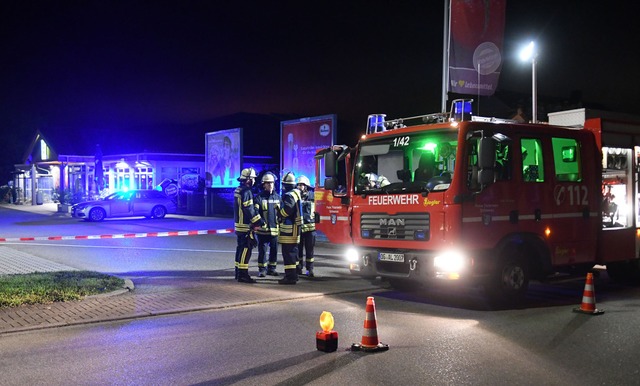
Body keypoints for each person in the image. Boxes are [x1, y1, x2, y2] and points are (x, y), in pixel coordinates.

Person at [233, 167, 264, 283]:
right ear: (248, 180)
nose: (254, 181)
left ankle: (237, 272)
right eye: (253, 179)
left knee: (240, 249)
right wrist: (258, 221)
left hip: (239, 225)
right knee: (246, 249)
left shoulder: (238, 189)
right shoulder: (246, 191)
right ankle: (243, 274)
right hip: (245, 226)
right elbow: (249, 209)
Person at [254, 172, 282, 277]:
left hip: (275, 230)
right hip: (262, 231)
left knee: (274, 251)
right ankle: (262, 269)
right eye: (268, 183)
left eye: (272, 183)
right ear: (263, 185)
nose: (270, 185)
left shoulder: (278, 198)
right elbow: (255, 212)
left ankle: (272, 269)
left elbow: (281, 212)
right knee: (262, 251)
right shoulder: (259, 198)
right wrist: (260, 222)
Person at [277, 172, 303, 285]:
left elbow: (288, 209)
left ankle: (290, 277)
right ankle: (294, 275)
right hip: (295, 228)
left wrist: (280, 213)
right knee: (293, 252)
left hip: (289, 228)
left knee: (288, 254)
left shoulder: (289, 195)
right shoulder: (296, 193)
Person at [296, 175, 316, 277]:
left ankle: (310, 269)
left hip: (310, 228)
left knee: (310, 250)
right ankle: (299, 268)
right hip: (299, 228)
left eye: (302, 185)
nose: (300, 187)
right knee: (298, 250)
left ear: (306, 186)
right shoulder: (295, 197)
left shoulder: (313, 196)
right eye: (298, 185)